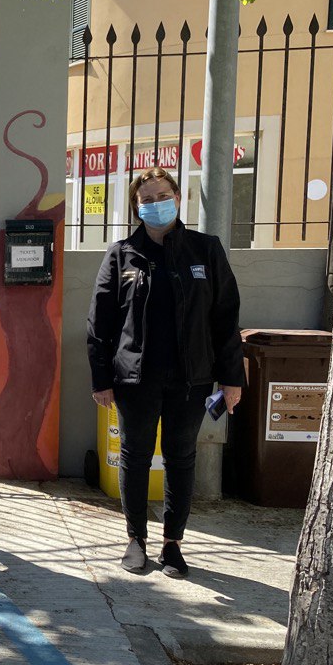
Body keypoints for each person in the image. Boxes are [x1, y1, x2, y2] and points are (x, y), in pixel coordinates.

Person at [87, 167, 245, 577]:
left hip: (191, 380)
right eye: (147, 198)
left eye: (163, 195)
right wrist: (101, 379)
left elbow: (225, 318)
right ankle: (135, 539)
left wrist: (231, 378)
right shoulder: (122, 253)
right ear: (136, 206)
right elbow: (100, 323)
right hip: (135, 379)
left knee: (181, 457)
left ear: (178, 197)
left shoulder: (205, 250)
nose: (156, 204)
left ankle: (173, 543)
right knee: (135, 456)